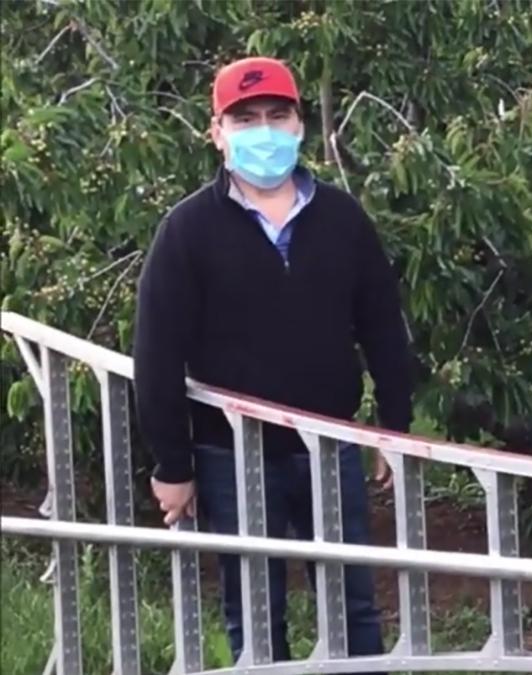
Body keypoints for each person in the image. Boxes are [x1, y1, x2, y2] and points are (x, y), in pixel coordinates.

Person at [133, 56, 413, 669]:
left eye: (276, 115)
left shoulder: (342, 220)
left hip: (329, 448)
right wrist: (171, 464)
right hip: (229, 456)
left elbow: (385, 328)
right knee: (256, 615)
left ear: (299, 125)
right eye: (246, 118)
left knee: (353, 610)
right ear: (218, 131)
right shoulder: (186, 231)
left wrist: (394, 429)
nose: (263, 129)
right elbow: (155, 354)